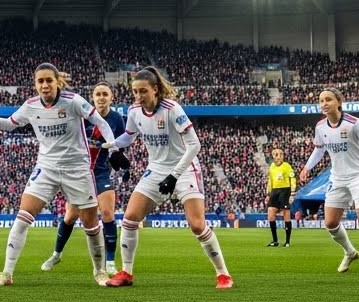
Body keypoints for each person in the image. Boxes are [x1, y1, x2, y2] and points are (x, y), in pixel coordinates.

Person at [0, 63, 114, 286]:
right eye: (40, 81)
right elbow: (9, 124)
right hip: (46, 168)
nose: (45, 85)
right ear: (35, 84)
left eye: (49, 80)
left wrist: (113, 148)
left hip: (77, 168)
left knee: (90, 223)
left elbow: (101, 122)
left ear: (57, 82)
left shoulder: (73, 101)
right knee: (23, 216)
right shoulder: (30, 105)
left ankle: (100, 272)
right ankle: (7, 273)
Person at [102, 67, 233, 289]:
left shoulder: (172, 109)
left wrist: (174, 176)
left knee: (197, 225)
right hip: (156, 169)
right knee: (130, 218)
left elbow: (195, 145)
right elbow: (129, 137)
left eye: (143, 91)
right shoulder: (134, 111)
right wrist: (112, 146)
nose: (138, 96)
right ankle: (126, 273)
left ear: (155, 89)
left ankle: (223, 274)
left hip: (185, 168)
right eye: (135, 91)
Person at [298, 88, 359, 276]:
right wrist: (307, 167)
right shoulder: (320, 127)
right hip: (337, 178)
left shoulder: (354, 123)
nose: (324, 103)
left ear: (338, 102)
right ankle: (350, 252)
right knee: (330, 223)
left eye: (328, 99)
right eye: (321, 100)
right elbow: (319, 150)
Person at [43, 82, 126, 273]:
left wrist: (120, 157)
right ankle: (57, 254)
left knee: (108, 213)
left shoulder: (116, 119)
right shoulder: (83, 116)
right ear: (93, 98)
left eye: (105, 94)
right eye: (98, 94)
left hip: (101, 172)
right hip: (79, 173)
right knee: (70, 216)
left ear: (111, 98)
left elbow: (121, 143)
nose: (101, 97)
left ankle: (110, 262)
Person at [265, 146, 296, 247]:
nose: (278, 157)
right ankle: (275, 241)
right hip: (274, 192)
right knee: (270, 214)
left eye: (280, 155)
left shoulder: (287, 166)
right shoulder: (272, 166)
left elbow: (292, 178)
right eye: (276, 155)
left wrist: (292, 192)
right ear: (273, 157)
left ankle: (287, 241)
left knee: (286, 214)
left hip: (285, 190)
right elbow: (270, 180)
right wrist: (268, 193)